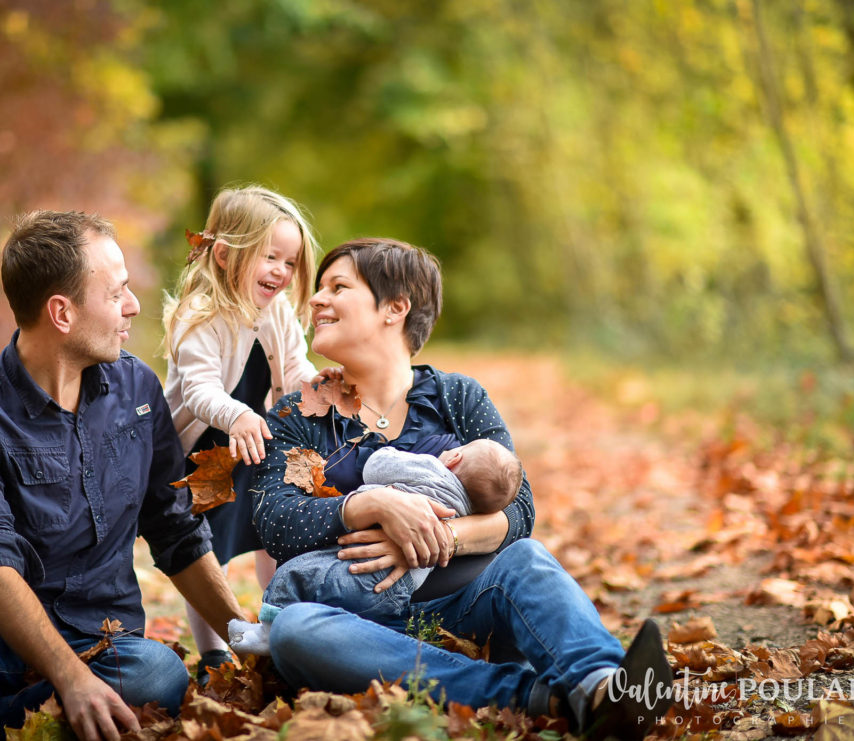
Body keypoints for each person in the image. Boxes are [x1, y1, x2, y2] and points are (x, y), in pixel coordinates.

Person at [251, 238, 675, 740]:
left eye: (337, 287)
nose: (316, 299)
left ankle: (602, 687)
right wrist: (373, 503)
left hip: (459, 604)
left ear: (395, 308)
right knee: (295, 631)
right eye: (318, 289)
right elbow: (275, 520)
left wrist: (435, 539)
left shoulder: (457, 397)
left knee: (527, 560)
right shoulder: (296, 414)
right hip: (353, 621)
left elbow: (519, 508)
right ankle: (537, 697)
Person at [0, 211, 247, 741]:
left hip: (102, 636)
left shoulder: (137, 390)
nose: (133, 306)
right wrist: (68, 679)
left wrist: (248, 638)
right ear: (61, 314)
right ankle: (2, 707)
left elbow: (174, 529)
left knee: (158, 674)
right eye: (117, 293)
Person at [161, 185, 320, 678]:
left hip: (259, 443)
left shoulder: (277, 315)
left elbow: (294, 369)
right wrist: (236, 415)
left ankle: (276, 621)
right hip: (207, 450)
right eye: (269, 256)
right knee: (211, 550)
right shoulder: (199, 316)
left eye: (290, 262)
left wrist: (315, 385)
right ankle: (213, 648)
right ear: (227, 256)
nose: (281, 271)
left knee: (276, 532)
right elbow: (198, 391)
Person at [229, 439, 523, 654]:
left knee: (296, 573)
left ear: (454, 458)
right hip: (398, 591)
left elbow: (377, 466)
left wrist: (390, 453)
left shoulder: (431, 469)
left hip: (362, 570)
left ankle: (268, 631)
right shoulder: (468, 511)